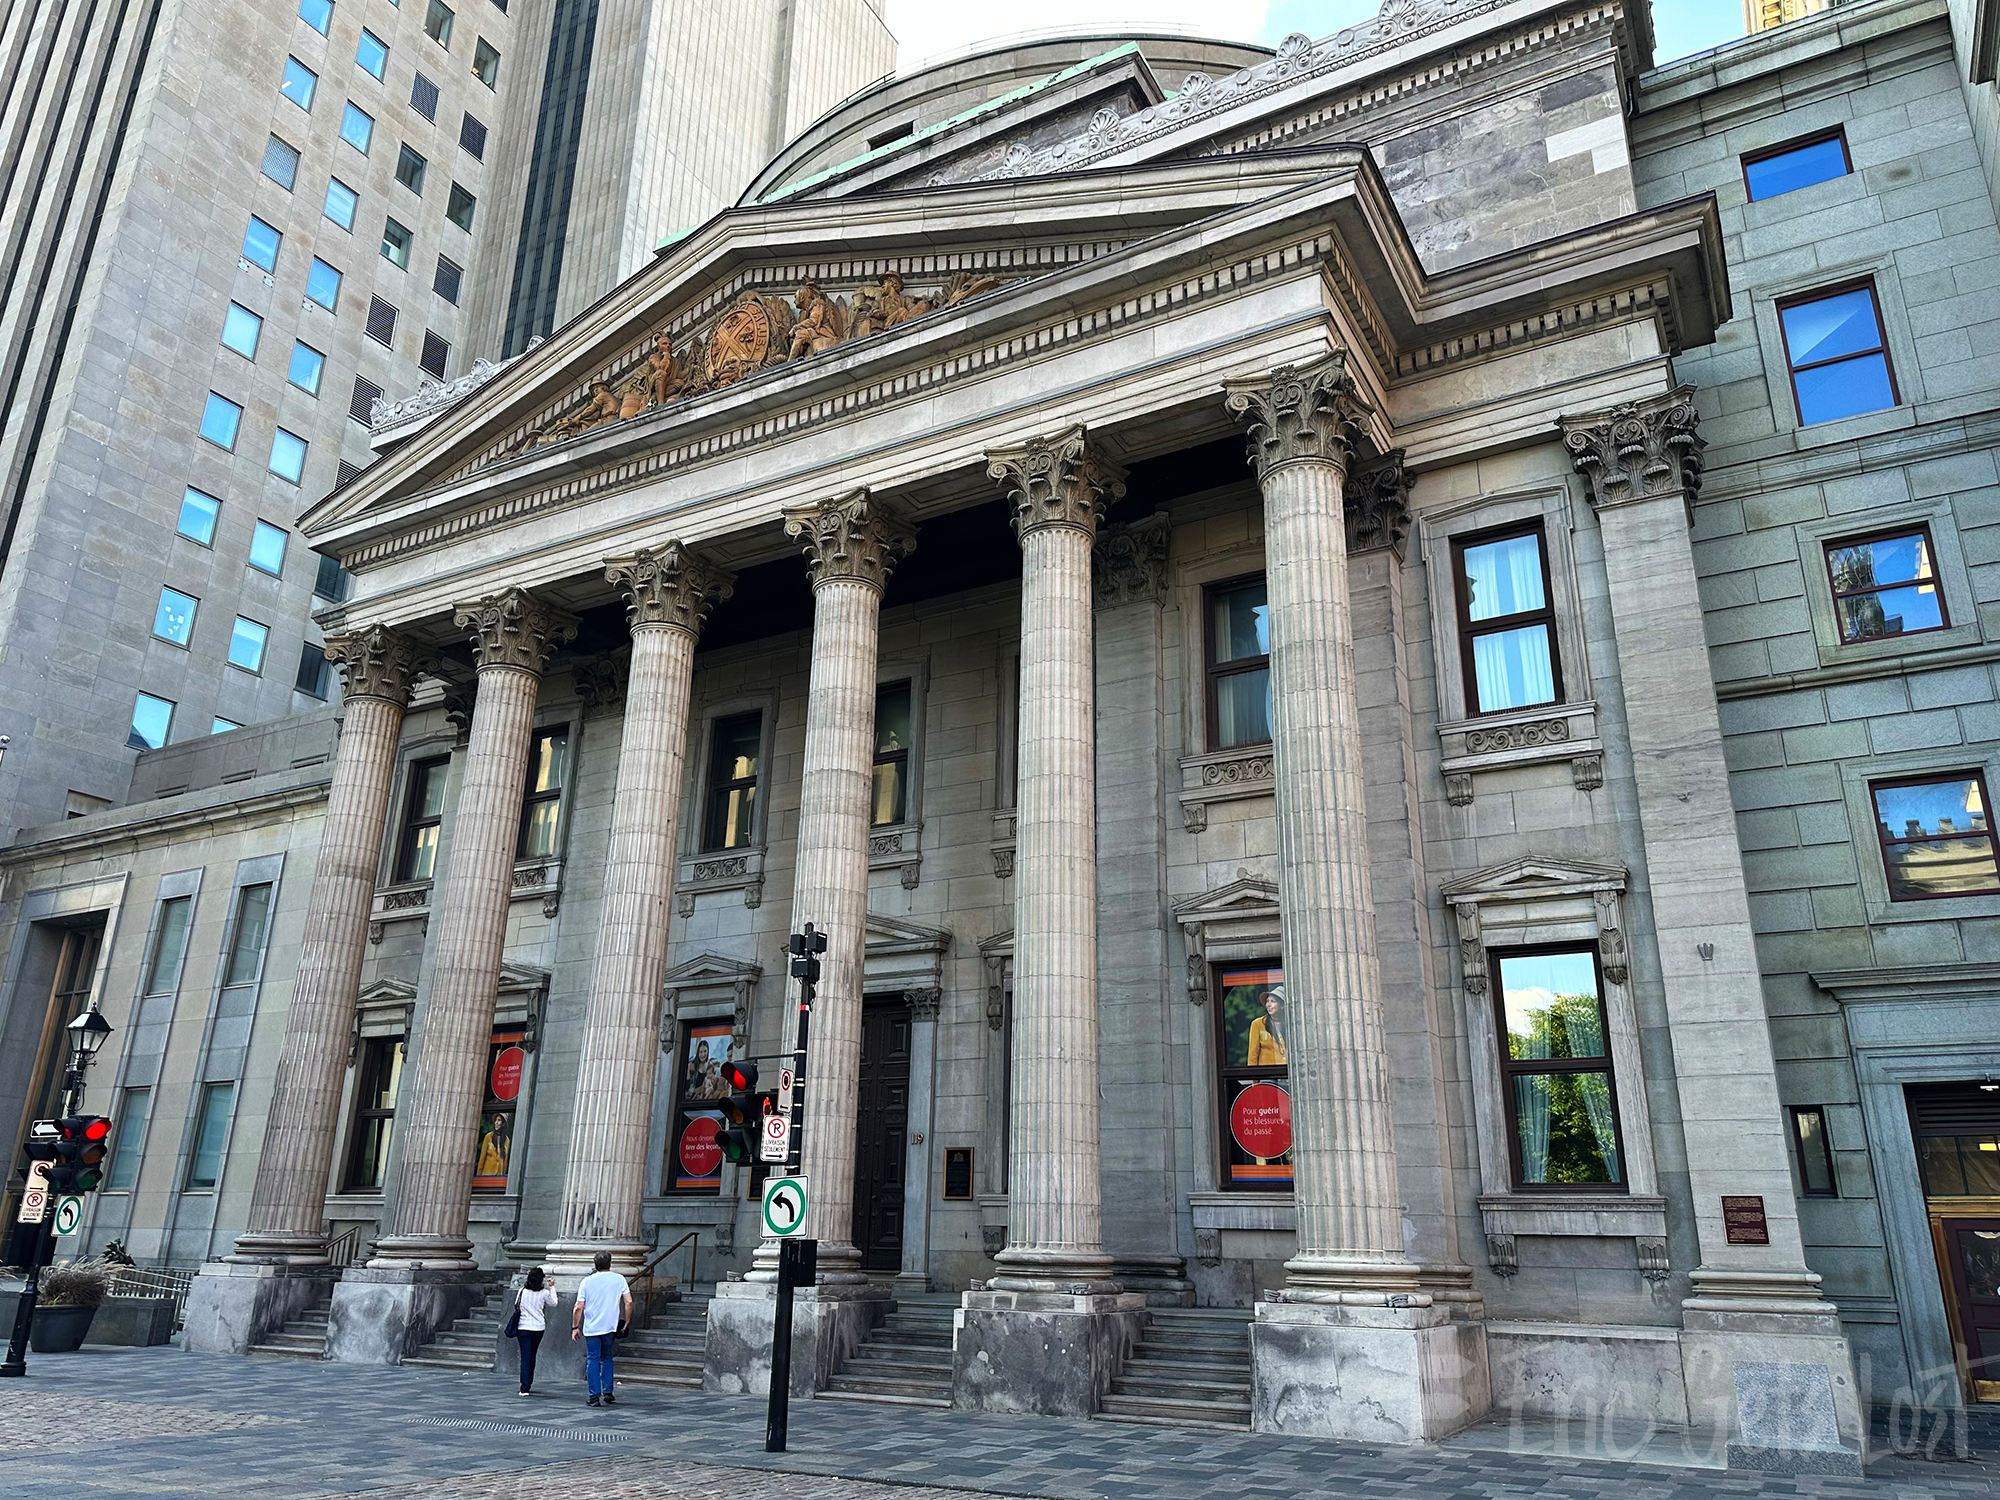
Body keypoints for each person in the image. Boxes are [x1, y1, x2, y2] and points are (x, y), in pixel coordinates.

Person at [571, 1249, 632, 1406]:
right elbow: (629, 1302)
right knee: (607, 1357)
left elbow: (579, 1307)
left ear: (595, 1264)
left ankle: (594, 1395)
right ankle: (608, 1391)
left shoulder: (587, 1281)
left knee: (593, 1359)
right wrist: (626, 1321)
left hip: (592, 1327)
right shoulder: (619, 1279)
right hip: (610, 1326)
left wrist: (575, 1326)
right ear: (610, 1263)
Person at [513, 1266, 559, 1396]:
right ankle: (529, 1381)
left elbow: (516, 1305)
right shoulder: (544, 1293)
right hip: (538, 1327)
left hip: (523, 1326)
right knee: (532, 1355)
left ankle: (525, 1386)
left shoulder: (522, 1291)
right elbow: (554, 1303)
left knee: (525, 1356)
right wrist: (552, 1287)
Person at [1246, 987, 1288, 1067]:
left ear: (1282, 1006)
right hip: (1267, 1074)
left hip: (1287, 1073)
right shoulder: (1258, 1024)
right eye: (1267, 1001)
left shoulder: (1289, 1023)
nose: (1268, 1005)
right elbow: (1253, 1054)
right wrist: (1254, 1077)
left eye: (1273, 1001)